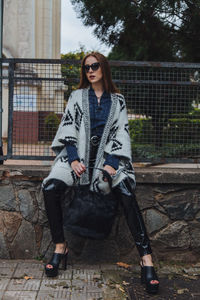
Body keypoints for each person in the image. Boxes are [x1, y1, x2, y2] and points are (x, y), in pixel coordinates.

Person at [42, 52, 159, 294]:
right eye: (86, 68)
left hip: (109, 161)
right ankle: (60, 247)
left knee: (126, 191)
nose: (91, 71)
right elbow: (68, 127)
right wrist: (73, 160)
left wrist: (112, 162)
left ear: (104, 68)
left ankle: (146, 259)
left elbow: (121, 133)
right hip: (77, 160)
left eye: (95, 66)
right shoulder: (76, 96)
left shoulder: (118, 100)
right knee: (51, 186)